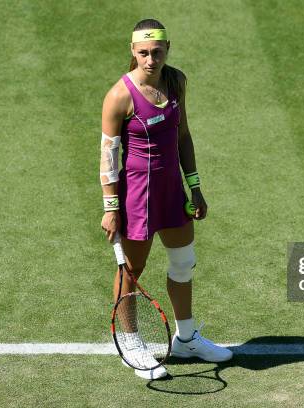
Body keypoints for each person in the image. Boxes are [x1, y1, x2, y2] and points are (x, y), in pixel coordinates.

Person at [99, 18, 232, 380]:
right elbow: (108, 157)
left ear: (167, 48)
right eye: (143, 52)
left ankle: (187, 338)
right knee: (132, 271)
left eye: (156, 52)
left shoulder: (176, 81)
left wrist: (196, 186)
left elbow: (183, 135)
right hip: (137, 196)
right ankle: (130, 342)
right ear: (132, 51)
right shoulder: (119, 96)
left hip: (173, 190)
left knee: (184, 264)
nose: (150, 59)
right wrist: (111, 208)